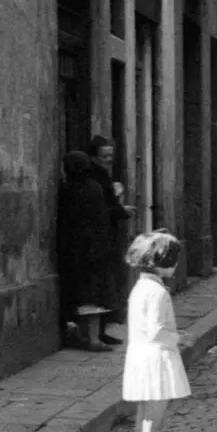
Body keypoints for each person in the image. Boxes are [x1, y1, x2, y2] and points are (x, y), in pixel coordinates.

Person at [121, 231, 191, 432]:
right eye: (172, 261)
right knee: (153, 425)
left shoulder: (140, 288)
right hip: (157, 361)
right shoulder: (158, 292)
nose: (175, 266)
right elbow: (157, 332)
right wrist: (181, 337)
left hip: (139, 358)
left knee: (142, 424)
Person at [57, 151, 115, 352]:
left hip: (78, 249)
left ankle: (90, 338)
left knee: (85, 293)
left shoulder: (70, 189)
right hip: (97, 247)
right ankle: (92, 336)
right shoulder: (95, 188)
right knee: (94, 293)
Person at [87, 136, 133, 343]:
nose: (109, 160)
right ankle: (96, 333)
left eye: (111, 156)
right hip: (99, 237)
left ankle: (103, 330)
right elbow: (100, 210)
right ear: (93, 157)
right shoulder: (93, 179)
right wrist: (121, 210)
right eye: (104, 156)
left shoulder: (103, 175)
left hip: (108, 235)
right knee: (101, 285)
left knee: (107, 284)